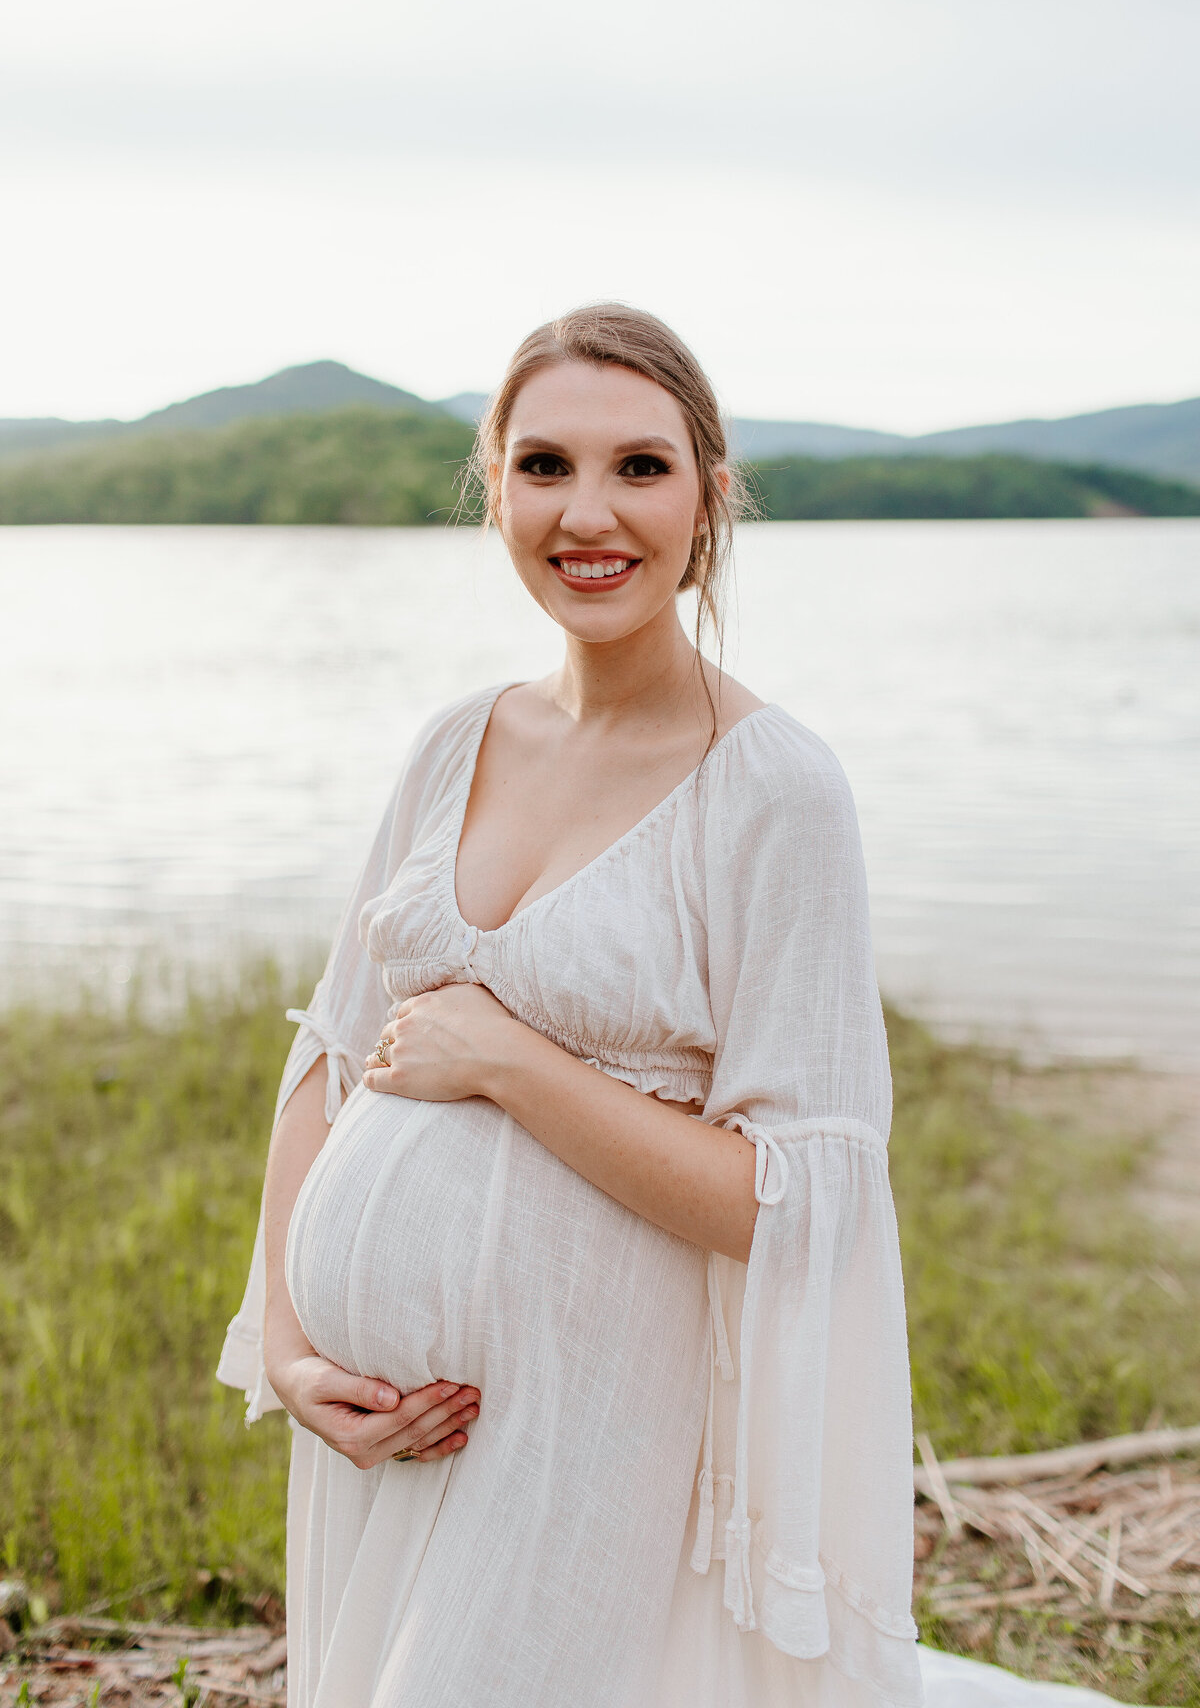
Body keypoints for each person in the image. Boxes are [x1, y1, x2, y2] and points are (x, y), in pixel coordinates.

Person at [218, 304, 924, 1708]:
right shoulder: (452, 742)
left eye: (640, 469)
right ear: (493, 487)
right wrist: (293, 1350)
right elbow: (331, 1053)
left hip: (595, 1423)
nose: (586, 514)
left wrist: (510, 1064)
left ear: (713, 496)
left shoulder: (775, 789)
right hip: (378, 1434)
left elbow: (800, 1202)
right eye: (543, 466)